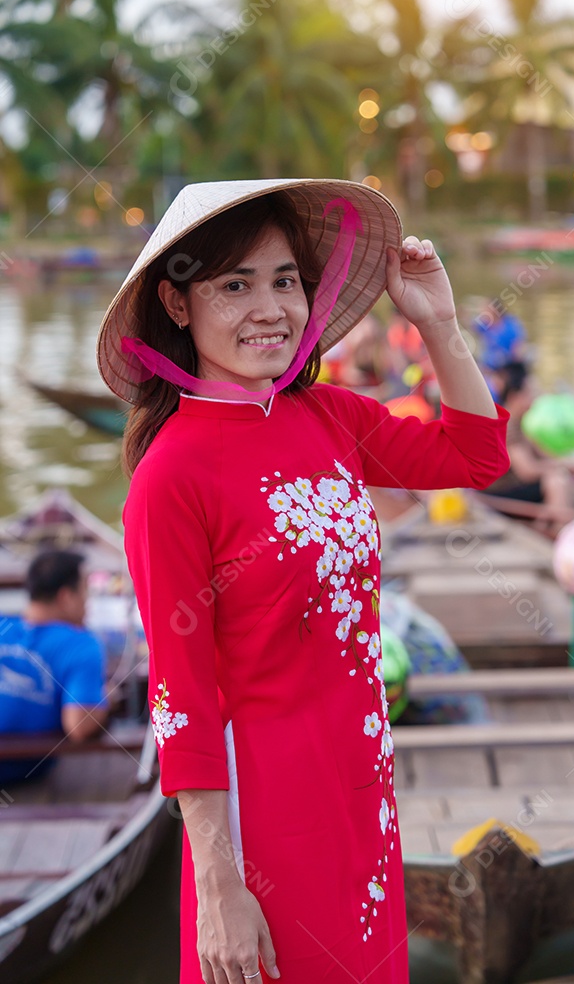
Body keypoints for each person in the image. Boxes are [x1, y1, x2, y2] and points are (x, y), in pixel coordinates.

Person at [97, 178, 510, 984]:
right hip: (265, 820)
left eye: (285, 280)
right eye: (234, 285)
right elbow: (182, 697)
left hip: (361, 793)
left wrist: (439, 326)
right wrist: (218, 881)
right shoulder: (170, 477)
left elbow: (477, 457)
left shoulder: (326, 416)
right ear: (178, 307)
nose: (269, 307)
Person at [0, 549, 109, 785]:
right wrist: (107, 700)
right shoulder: (81, 644)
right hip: (25, 776)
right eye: (84, 591)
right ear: (65, 597)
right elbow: (80, 725)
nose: (87, 602)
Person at [482, 362, 573, 511]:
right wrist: (561, 467)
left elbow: (544, 455)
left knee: (563, 474)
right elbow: (527, 471)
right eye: (530, 391)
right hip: (498, 493)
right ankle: (558, 526)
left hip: (515, 487)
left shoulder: (519, 423)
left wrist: (567, 464)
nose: (536, 396)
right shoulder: (507, 426)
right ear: (515, 396)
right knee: (557, 480)